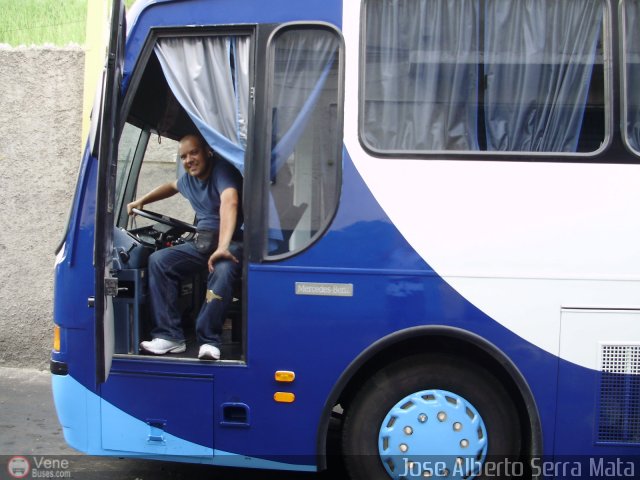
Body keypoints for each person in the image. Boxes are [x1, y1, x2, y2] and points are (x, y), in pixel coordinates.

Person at [127, 133, 243, 360]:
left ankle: (209, 340)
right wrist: (142, 201)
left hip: (232, 242)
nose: (189, 160)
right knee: (159, 261)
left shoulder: (222, 171)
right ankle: (170, 336)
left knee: (223, 267)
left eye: (194, 153)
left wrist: (223, 246)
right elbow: (171, 186)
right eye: (183, 156)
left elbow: (230, 201)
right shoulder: (189, 179)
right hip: (203, 243)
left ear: (208, 151)